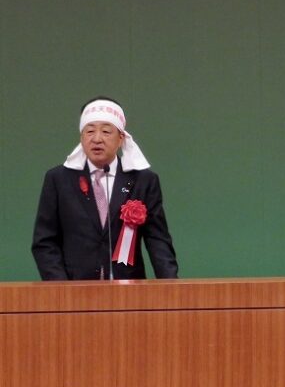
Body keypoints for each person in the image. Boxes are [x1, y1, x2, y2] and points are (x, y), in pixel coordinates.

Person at [32, 96, 178, 280]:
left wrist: (170, 286)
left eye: (106, 131)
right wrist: (61, 288)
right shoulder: (59, 179)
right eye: (90, 131)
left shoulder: (143, 180)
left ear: (121, 138)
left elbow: (158, 240)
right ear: (81, 137)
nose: (97, 139)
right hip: (74, 289)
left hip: (127, 288)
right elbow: (45, 241)